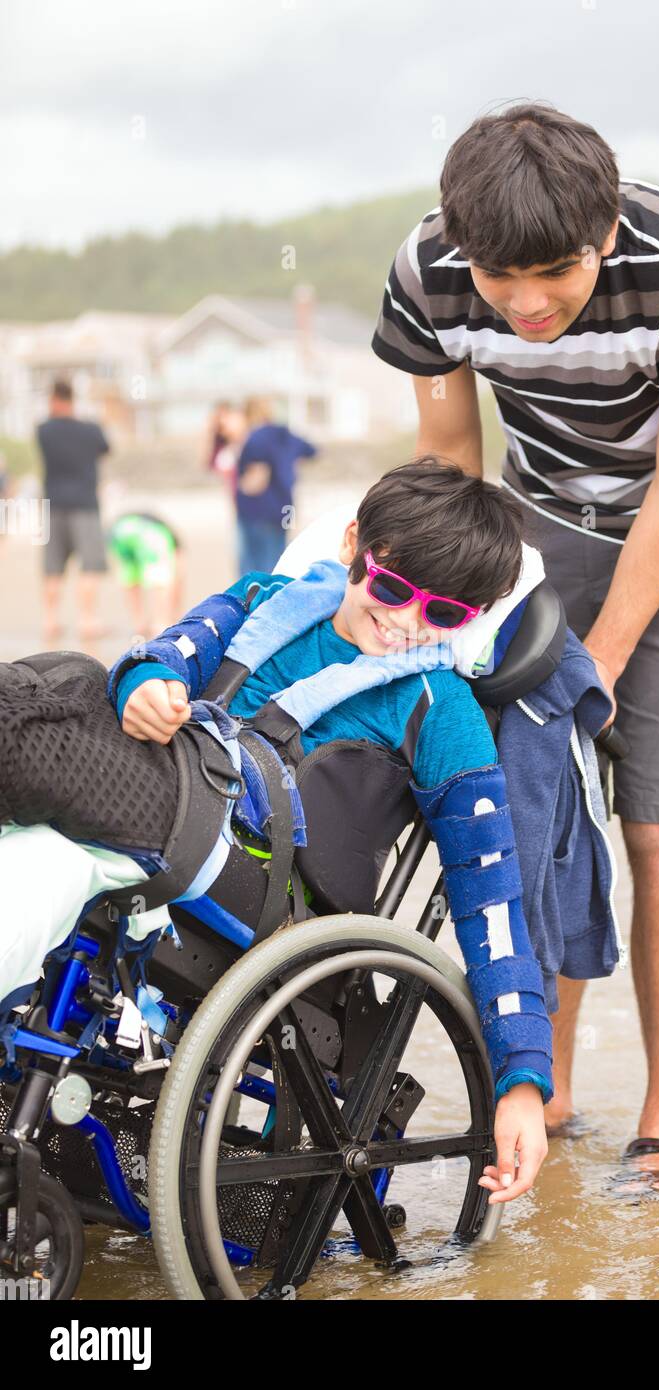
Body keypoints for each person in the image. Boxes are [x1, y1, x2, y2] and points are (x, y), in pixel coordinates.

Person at [372, 103, 659, 1168]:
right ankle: (539, 1096)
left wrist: (595, 664)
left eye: (554, 270)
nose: (527, 302)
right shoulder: (427, 270)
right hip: (534, 516)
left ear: (602, 231)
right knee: (530, 802)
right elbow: (450, 454)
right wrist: (426, 616)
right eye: (500, 278)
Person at [0, 458, 553, 1204]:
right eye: (389, 588)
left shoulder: (441, 710)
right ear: (353, 545)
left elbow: (491, 904)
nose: (403, 622)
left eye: (443, 615)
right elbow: (168, 653)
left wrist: (521, 1081)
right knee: (57, 746)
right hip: (146, 817)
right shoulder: (263, 602)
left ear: (473, 618)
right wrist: (146, 688)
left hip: (257, 884)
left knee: (48, 705)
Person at [36, 379, 111, 644]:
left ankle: (50, 620)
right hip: (85, 504)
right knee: (90, 565)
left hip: (52, 504)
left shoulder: (44, 430)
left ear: (54, 400)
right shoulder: (90, 430)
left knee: (53, 566)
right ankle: (87, 620)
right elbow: (105, 448)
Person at [235, 397, 316, 576]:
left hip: (257, 511)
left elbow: (258, 478)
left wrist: (240, 487)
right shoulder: (286, 435)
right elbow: (312, 450)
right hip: (286, 507)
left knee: (253, 570)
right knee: (279, 562)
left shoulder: (255, 438)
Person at [107, 511, 184, 639]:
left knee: (131, 576)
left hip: (119, 528)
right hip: (146, 530)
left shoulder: (165, 529)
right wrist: (176, 615)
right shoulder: (173, 542)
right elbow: (176, 578)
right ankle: (161, 622)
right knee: (162, 580)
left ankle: (138, 623)